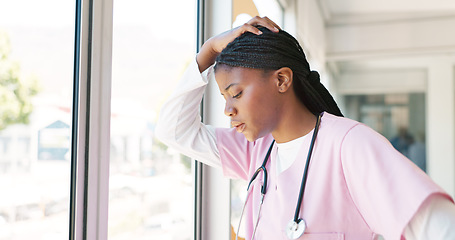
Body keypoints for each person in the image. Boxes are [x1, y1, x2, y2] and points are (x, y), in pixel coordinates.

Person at [156, 16, 455, 239]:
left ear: (282, 80)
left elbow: (442, 229)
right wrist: (207, 50)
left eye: (235, 93)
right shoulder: (255, 153)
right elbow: (173, 130)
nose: (227, 109)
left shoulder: (349, 145)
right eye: (224, 97)